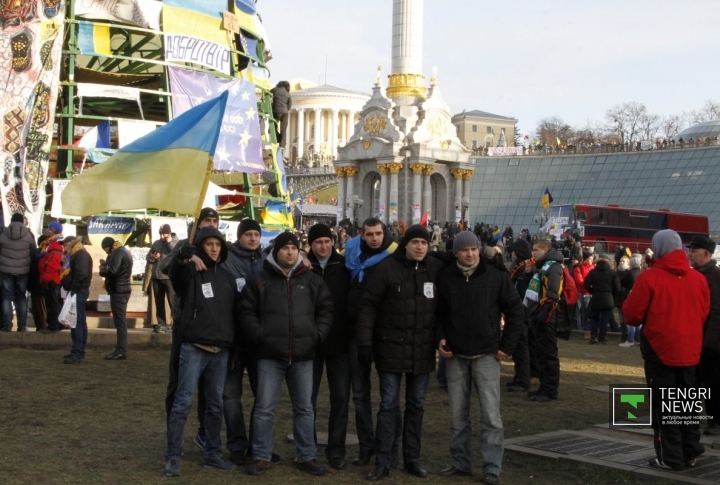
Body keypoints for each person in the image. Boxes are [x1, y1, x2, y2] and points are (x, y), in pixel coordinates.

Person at [240, 232, 334, 477]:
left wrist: (316, 335)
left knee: (304, 408)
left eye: (294, 248)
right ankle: (261, 455)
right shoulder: (259, 279)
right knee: (264, 408)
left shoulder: (312, 280)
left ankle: (307, 455)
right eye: (285, 248)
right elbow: (246, 311)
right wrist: (259, 335)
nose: (290, 252)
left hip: (303, 355)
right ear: (276, 251)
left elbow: (326, 309)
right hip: (269, 355)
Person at [356, 225, 444, 481]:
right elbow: (368, 305)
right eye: (415, 242)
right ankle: (384, 460)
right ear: (405, 244)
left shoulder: (435, 269)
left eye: (424, 243)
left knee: (416, 405)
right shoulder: (387, 268)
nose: (419, 247)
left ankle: (412, 459)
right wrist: (364, 343)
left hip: (422, 350)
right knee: (388, 405)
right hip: (390, 348)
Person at [436, 231, 523, 485]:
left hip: (487, 353)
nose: (470, 254)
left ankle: (492, 467)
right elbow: (439, 314)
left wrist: (507, 345)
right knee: (457, 415)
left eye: (474, 249)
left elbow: (515, 310)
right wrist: (439, 337)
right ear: (456, 254)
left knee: (491, 416)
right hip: (455, 354)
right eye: (465, 250)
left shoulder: (495, 275)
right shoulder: (446, 277)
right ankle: (461, 462)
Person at [623, 230, 709, 471]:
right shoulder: (698, 279)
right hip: (690, 350)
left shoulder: (649, 278)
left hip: (660, 350)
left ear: (657, 248)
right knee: (687, 405)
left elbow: (631, 315)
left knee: (664, 406)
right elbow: (703, 312)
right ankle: (690, 452)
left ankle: (670, 457)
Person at [164, 227, 242, 477]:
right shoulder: (190, 271)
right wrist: (183, 255)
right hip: (194, 346)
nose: (214, 248)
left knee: (215, 405)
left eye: (217, 244)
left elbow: (234, 313)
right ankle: (173, 456)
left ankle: (212, 454)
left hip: (220, 350)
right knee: (182, 402)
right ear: (201, 246)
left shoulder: (228, 278)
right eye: (208, 244)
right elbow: (173, 273)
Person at [343, 217, 398, 467]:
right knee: (360, 395)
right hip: (356, 334)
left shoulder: (395, 255)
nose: (374, 238)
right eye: (369, 234)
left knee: (390, 396)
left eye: (378, 234)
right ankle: (366, 446)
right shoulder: (351, 254)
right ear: (361, 235)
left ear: (384, 233)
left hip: (386, 334)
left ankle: (389, 447)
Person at [160, 208, 220, 438]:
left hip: (211, 326)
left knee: (210, 388)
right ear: (198, 223)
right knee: (177, 383)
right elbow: (165, 265)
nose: (211, 224)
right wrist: (185, 256)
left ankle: (205, 434)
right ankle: (173, 434)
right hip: (185, 323)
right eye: (207, 220)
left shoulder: (219, 246)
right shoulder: (185, 244)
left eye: (215, 220)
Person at [217, 218, 271, 465]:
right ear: (239, 236)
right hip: (233, 339)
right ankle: (237, 445)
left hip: (260, 341)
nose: (252, 238)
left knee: (263, 397)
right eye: (248, 234)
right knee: (231, 396)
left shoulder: (266, 261)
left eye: (256, 235)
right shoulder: (226, 260)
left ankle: (259, 447)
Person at [307, 223, 352, 470]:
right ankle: (308, 448)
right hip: (311, 344)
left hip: (339, 342)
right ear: (310, 245)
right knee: (307, 400)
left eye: (326, 241)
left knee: (341, 398)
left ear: (332, 242)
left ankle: (336, 450)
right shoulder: (303, 267)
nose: (323, 246)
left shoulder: (344, 267)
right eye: (317, 243)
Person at [524, 239, 565, 402]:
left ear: (545, 250)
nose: (533, 253)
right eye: (533, 250)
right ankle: (544, 386)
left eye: (536, 250)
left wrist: (543, 315)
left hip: (547, 315)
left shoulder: (553, 268)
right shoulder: (543, 267)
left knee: (548, 353)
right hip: (540, 314)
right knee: (542, 352)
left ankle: (550, 389)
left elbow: (553, 294)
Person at [687, 236, 720, 436]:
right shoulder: (698, 275)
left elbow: (717, 312)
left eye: (694, 250)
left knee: (712, 382)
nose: (690, 254)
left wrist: (709, 343)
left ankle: (715, 421)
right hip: (696, 339)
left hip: (710, 343)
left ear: (706, 254)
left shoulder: (714, 277)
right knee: (695, 381)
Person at [506, 238, 536, 392]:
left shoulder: (525, 268)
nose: (512, 253)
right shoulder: (520, 266)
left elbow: (521, 291)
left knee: (521, 346)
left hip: (521, 312)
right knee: (518, 347)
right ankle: (519, 377)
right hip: (519, 310)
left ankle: (523, 380)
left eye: (514, 250)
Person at [0, 212, 37, 332]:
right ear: (23, 221)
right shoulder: (29, 234)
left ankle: (7, 325)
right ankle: (22, 325)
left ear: (11, 220)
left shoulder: (3, 233)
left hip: (5, 270)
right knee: (21, 297)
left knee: (6, 297)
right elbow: (33, 252)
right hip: (23, 271)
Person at [99, 237, 133, 360]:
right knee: (120, 321)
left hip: (119, 290)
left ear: (110, 246)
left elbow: (113, 271)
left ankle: (121, 350)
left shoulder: (118, 253)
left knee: (120, 322)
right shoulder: (124, 251)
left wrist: (102, 269)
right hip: (123, 289)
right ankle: (120, 349)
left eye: (106, 250)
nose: (107, 253)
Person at [60, 237, 93, 364]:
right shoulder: (79, 254)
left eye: (65, 245)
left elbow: (81, 274)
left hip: (78, 291)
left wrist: (73, 289)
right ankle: (78, 350)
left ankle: (78, 352)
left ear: (71, 244)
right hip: (79, 290)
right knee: (78, 322)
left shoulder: (80, 255)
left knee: (76, 322)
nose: (64, 248)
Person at [584, 255, 620, 345]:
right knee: (605, 319)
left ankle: (593, 336)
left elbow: (586, 284)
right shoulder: (612, 273)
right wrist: (612, 294)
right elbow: (617, 287)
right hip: (608, 298)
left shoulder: (593, 272)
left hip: (596, 297)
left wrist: (592, 291)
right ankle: (602, 338)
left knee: (594, 318)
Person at [147, 223, 177, 333]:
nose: (161, 237)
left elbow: (176, 254)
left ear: (169, 233)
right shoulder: (156, 243)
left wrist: (169, 243)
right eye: (160, 234)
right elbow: (148, 257)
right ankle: (160, 323)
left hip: (169, 277)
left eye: (163, 234)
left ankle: (175, 323)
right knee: (159, 302)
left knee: (173, 301)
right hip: (157, 276)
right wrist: (152, 257)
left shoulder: (175, 243)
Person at [38, 222, 64, 333]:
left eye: (49, 229)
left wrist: (46, 278)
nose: (47, 230)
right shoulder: (51, 243)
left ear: (53, 230)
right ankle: (56, 324)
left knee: (52, 303)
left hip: (52, 279)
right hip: (51, 278)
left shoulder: (55, 245)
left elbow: (53, 263)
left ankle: (53, 326)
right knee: (54, 303)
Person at [618, 254, 642, 347]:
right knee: (638, 320)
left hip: (629, 296)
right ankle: (638, 339)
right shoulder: (642, 273)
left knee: (630, 319)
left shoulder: (630, 273)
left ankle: (630, 339)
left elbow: (622, 281)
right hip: (639, 297)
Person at [573, 250, 595, 339]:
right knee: (585, 312)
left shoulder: (593, 267)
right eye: (590, 259)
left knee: (591, 312)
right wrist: (590, 285)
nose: (591, 261)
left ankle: (592, 329)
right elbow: (579, 281)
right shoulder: (579, 268)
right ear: (585, 259)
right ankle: (587, 330)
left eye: (592, 259)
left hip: (592, 292)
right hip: (585, 292)